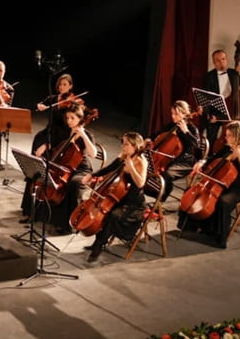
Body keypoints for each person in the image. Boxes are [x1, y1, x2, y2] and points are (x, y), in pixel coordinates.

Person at [179, 120, 240, 248]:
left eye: (229, 135)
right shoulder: (226, 148)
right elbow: (212, 160)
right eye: (226, 135)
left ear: (237, 136)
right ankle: (194, 227)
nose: (226, 138)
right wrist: (202, 162)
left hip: (239, 187)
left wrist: (239, 155)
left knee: (223, 202)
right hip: (220, 183)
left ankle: (220, 238)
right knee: (190, 191)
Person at [22, 103, 98, 232]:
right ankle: (32, 213)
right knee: (37, 175)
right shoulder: (66, 132)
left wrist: (83, 135)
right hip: (63, 166)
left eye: (72, 118)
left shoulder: (87, 134)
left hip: (81, 169)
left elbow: (93, 154)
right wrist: (46, 145)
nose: (69, 121)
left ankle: (67, 224)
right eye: (67, 118)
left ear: (80, 119)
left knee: (73, 184)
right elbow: (55, 144)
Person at [85, 133, 151, 262]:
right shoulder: (124, 155)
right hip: (120, 197)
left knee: (113, 215)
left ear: (135, 146)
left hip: (133, 203)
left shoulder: (141, 161)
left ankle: (99, 245)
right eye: (123, 143)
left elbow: (140, 183)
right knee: (103, 213)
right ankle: (97, 242)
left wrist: (131, 167)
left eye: (126, 144)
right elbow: (110, 168)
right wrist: (92, 175)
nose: (122, 146)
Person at [150, 100, 202, 209]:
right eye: (172, 113)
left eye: (176, 114)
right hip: (171, 158)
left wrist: (185, 131)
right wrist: (149, 139)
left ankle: (159, 204)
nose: (173, 116)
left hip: (186, 160)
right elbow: (158, 134)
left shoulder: (192, 128)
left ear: (185, 114)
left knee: (167, 175)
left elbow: (196, 145)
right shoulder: (173, 125)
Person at [202, 48, 240, 145]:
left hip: (231, 110)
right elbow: (206, 98)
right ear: (214, 62)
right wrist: (209, 115)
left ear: (226, 60)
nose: (221, 62)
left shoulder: (233, 73)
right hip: (216, 111)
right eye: (218, 60)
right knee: (211, 139)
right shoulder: (209, 76)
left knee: (234, 139)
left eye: (223, 59)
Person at [32, 73, 80, 153]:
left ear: (70, 86)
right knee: (38, 138)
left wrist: (73, 104)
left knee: (47, 145)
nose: (61, 87)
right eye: (60, 84)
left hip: (63, 133)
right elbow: (37, 106)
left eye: (64, 84)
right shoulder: (52, 98)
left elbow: (79, 115)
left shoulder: (72, 102)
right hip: (50, 130)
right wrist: (39, 106)